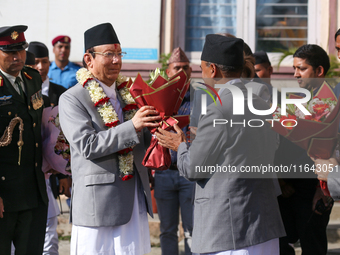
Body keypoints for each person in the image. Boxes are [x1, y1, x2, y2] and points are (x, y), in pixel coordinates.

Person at [156, 34, 285, 254]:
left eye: (202, 68)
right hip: (264, 226)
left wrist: (180, 146)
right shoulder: (262, 103)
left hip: (230, 229)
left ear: (213, 69)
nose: (201, 73)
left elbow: (194, 168)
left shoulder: (218, 109)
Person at [59, 22, 161, 255]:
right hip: (98, 204)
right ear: (88, 59)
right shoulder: (72, 99)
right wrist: (132, 126)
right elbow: (87, 145)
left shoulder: (130, 95)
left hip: (133, 198)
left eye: (119, 54)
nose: (116, 61)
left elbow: (142, 140)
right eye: (109, 55)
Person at [274, 44, 333, 255]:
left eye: (302, 68)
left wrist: (322, 189)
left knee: (312, 246)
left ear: (319, 71)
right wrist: (280, 181)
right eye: (294, 68)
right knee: (280, 245)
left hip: (314, 191)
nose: (296, 74)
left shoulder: (332, 103)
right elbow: (277, 143)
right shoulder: (291, 100)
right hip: (286, 189)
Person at [0, 25, 48, 254]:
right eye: (9, 51)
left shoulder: (32, 79)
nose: (17, 56)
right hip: (4, 194)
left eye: (20, 50)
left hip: (32, 191)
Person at [27, 41, 71, 255]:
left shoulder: (59, 94)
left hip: (48, 175)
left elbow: (63, 136)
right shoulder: (17, 96)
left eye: (44, 62)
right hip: (23, 174)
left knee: (48, 235)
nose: (40, 67)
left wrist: (64, 173)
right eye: (35, 62)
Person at [154, 47, 195, 255]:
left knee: (192, 230)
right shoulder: (158, 99)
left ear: (191, 71)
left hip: (190, 173)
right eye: (177, 67)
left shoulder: (201, 99)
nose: (181, 71)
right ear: (168, 72)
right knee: (167, 230)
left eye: (185, 68)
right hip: (164, 172)